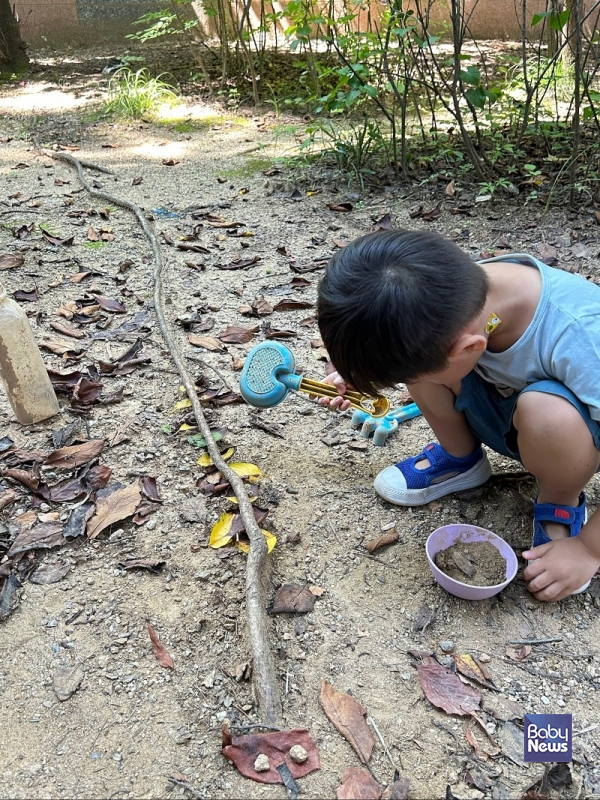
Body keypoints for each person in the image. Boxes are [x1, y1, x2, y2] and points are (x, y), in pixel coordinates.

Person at [317, 229, 600, 601]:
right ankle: (461, 460)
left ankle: (560, 499)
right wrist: (360, 371)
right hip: (507, 406)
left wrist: (589, 550)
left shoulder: (582, 335)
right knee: (427, 369)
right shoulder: (446, 298)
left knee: (546, 412)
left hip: (562, 433)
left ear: (471, 348)